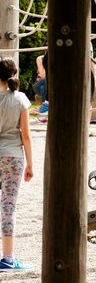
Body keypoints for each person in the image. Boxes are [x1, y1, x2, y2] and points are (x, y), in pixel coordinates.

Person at [0, 58, 34, 271]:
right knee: (8, 206)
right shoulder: (20, 99)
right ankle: (8, 257)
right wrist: (31, 164)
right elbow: (26, 135)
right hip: (12, 156)